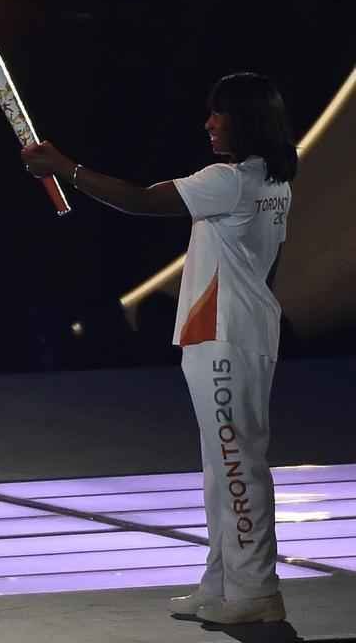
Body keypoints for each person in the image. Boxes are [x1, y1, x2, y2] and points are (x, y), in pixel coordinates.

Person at [21, 73, 297, 625]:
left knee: (236, 462)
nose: (209, 124)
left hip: (223, 336)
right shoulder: (273, 179)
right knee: (223, 463)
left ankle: (256, 592)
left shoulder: (231, 180)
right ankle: (222, 584)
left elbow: (141, 200)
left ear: (246, 119)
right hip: (239, 331)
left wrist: (65, 169)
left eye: (219, 114)